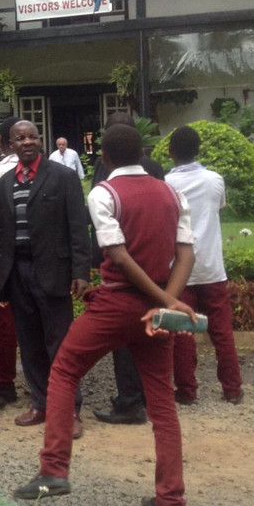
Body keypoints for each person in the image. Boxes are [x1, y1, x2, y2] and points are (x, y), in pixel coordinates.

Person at [13, 123, 195, 506]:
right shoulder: (172, 192)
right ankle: (171, 499)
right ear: (144, 152)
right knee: (162, 403)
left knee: (63, 370)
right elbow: (186, 255)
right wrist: (168, 302)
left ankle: (53, 470)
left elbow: (117, 255)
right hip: (156, 309)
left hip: (117, 304)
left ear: (104, 158)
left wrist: (163, 300)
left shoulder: (104, 192)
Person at [0, 120, 91, 437]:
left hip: (53, 271)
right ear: (11, 144)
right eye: (19, 138)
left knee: (60, 343)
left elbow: (78, 227)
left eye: (32, 136)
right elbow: (2, 235)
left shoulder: (63, 177)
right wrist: (1, 280)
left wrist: (80, 272)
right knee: (30, 342)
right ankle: (41, 403)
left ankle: (69, 409)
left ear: (40, 140)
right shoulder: (3, 184)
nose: (27, 142)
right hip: (18, 272)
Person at [91, 111, 166, 425]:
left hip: (123, 265)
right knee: (151, 336)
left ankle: (131, 401)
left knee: (123, 338)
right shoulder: (156, 169)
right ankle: (152, 398)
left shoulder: (104, 172)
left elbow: (98, 219)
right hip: (157, 264)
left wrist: (97, 262)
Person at [165, 125, 243, 405]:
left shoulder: (165, 185)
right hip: (211, 266)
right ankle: (232, 389)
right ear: (199, 150)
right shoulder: (214, 180)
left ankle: (186, 391)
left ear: (171, 152)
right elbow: (217, 208)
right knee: (222, 331)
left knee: (183, 332)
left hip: (178, 269)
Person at [0, 117, 21, 405]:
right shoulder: (54, 172)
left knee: (5, 318)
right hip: (41, 256)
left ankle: (4, 382)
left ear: (2, 143)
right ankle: (49, 384)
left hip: (2, 254)